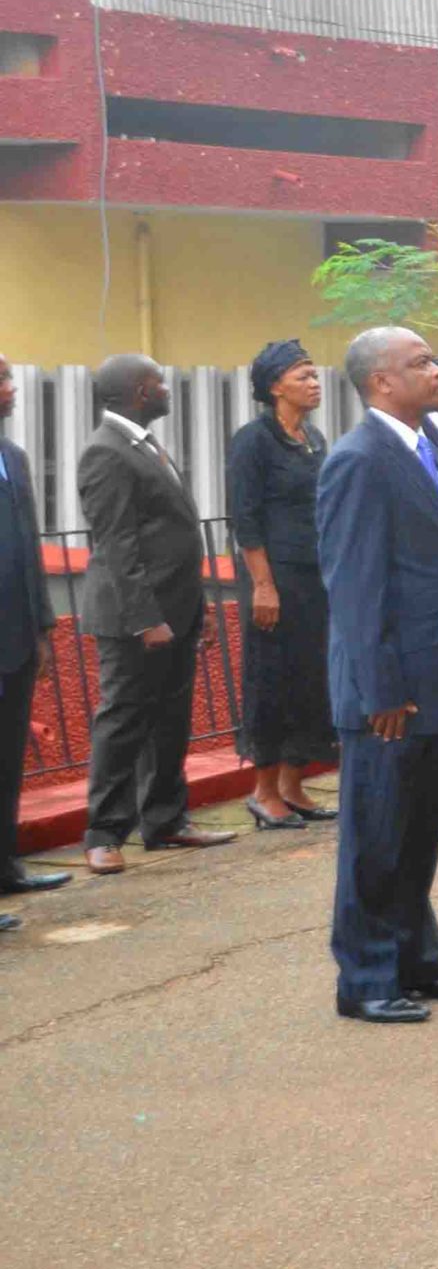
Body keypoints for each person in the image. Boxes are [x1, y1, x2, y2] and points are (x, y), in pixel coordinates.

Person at [317, 326, 438, 1023]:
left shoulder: (429, 447)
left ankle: (418, 963)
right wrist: (379, 688)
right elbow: (356, 585)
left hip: (436, 673)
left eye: (434, 360)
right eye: (419, 363)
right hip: (391, 689)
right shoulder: (359, 460)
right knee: (377, 837)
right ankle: (365, 979)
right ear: (380, 382)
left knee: (418, 830)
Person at [77, 354, 234, 874]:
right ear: (141, 391)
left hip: (177, 607)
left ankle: (165, 820)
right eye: (160, 383)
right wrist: (147, 618)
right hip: (134, 617)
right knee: (123, 720)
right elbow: (117, 545)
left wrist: (199, 608)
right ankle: (103, 832)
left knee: (171, 718)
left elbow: (173, 536)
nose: (168, 389)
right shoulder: (106, 452)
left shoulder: (144, 445)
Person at [226, 340, 340, 830]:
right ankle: (264, 790)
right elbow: (245, 518)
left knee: (311, 680)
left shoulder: (314, 439)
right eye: (303, 376)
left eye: (315, 375)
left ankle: (294, 784)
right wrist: (263, 586)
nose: (314, 383)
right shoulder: (254, 440)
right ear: (275, 386)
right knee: (273, 681)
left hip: (316, 578)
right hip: (275, 579)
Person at [0, 353, 70, 923]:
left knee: (7, 761)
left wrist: (44, 628)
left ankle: (6, 867)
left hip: (18, 638)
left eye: (7, 377)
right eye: (0, 379)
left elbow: (29, 551)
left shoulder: (14, 458)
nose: (10, 387)